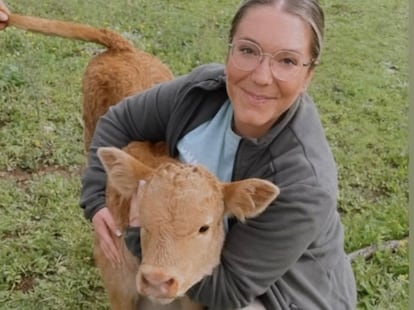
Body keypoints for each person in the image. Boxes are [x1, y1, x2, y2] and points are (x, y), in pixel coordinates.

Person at [0, 0, 357, 309]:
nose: (262, 76)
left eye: (288, 60)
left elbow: (230, 289)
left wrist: (141, 234)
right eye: (248, 50)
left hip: (282, 297)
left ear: (309, 74)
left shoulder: (304, 182)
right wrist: (98, 201)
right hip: (192, 250)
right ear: (229, 50)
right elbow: (117, 121)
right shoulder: (201, 92)